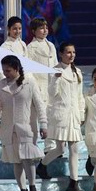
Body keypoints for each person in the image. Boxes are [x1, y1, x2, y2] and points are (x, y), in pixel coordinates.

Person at [36, 42, 86, 191]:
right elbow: (51, 93)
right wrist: (56, 79)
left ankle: (73, 183)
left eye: (73, 52)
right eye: (68, 52)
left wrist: (81, 113)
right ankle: (42, 165)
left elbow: (79, 95)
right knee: (60, 149)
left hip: (73, 115)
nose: (71, 55)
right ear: (61, 53)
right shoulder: (56, 70)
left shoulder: (77, 72)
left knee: (74, 148)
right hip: (61, 114)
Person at [0, 55, 46, 191]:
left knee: (27, 158)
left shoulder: (29, 82)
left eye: (8, 70)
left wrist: (43, 125)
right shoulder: (1, 85)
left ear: (16, 69)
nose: (5, 73)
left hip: (26, 127)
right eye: (4, 70)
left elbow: (39, 104)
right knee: (16, 161)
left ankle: (33, 187)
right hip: (8, 128)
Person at [26, 17, 57, 153]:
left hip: (51, 84)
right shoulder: (31, 47)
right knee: (40, 116)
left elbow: (55, 64)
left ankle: (50, 146)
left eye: (46, 27)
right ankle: (35, 146)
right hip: (39, 84)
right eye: (41, 28)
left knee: (51, 115)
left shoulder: (51, 45)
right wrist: (34, 86)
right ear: (34, 31)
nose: (45, 30)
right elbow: (29, 69)